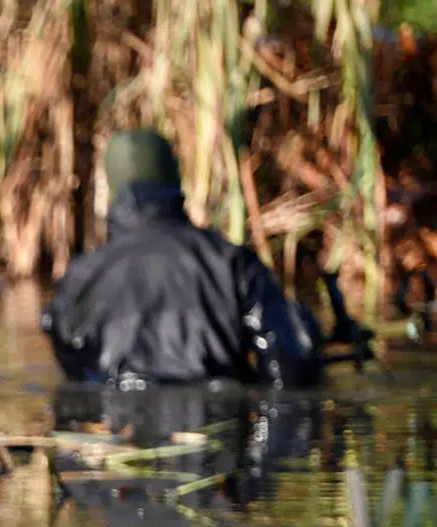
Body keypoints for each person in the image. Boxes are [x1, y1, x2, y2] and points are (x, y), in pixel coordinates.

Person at [41, 129, 327, 389]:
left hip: (119, 421)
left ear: (111, 189)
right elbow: (288, 367)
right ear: (174, 179)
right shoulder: (231, 262)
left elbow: (75, 373)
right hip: (217, 423)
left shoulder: (78, 278)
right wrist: (308, 334)